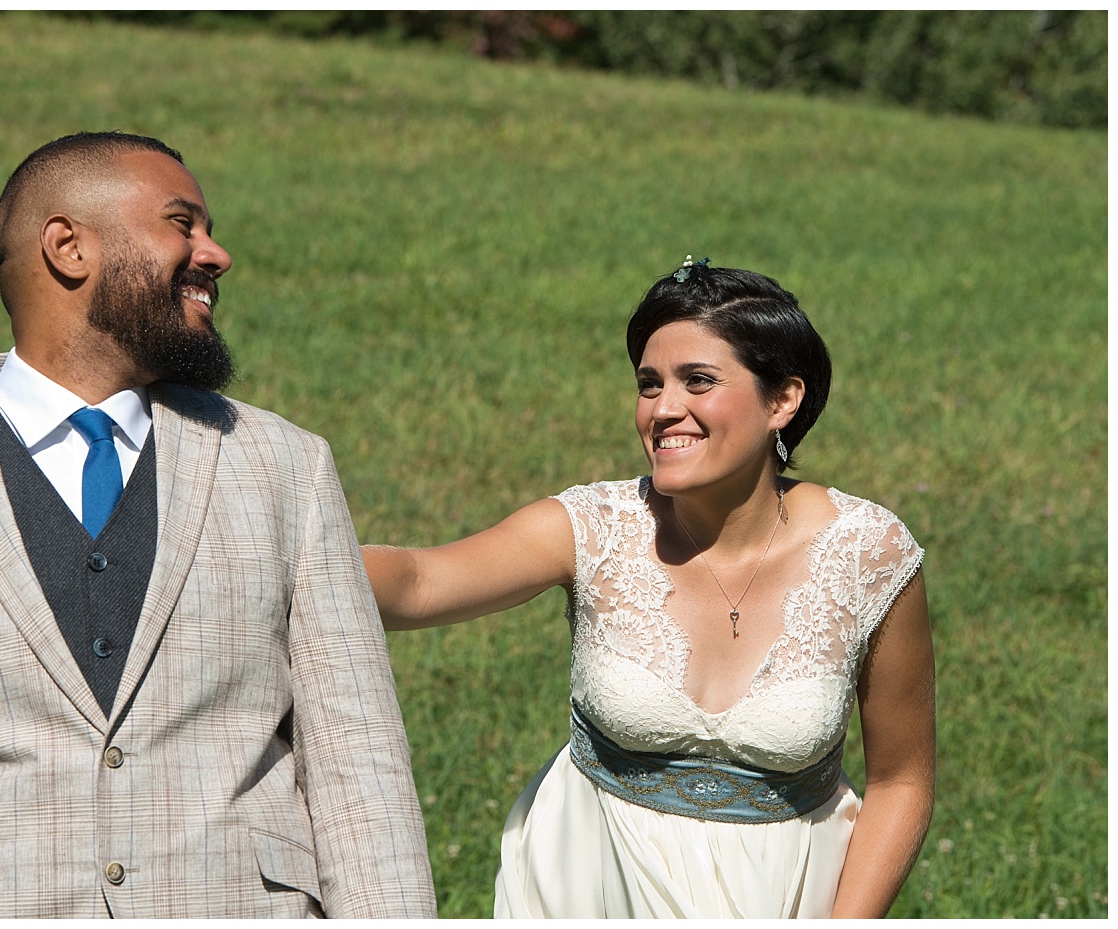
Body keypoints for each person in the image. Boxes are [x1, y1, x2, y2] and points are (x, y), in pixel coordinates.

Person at [0, 132, 436, 918]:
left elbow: (362, 772)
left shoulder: (288, 467)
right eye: (183, 223)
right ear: (68, 246)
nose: (215, 254)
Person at [365, 261, 935, 917]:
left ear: (782, 400)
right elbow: (419, 579)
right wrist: (279, 551)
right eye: (648, 383)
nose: (663, 409)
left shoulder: (870, 553)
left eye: (698, 381)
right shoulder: (589, 527)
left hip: (787, 897)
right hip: (590, 890)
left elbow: (902, 778)